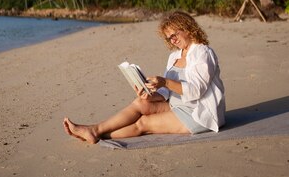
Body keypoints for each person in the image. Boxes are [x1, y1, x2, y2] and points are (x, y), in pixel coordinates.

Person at [63, 11, 225, 144]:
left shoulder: (203, 53)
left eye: (175, 34)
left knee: (143, 123)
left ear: (188, 28)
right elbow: (167, 94)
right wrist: (150, 94)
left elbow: (196, 91)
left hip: (197, 113)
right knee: (141, 103)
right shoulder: (174, 56)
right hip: (176, 105)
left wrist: (165, 81)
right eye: (169, 37)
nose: (173, 40)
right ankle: (94, 130)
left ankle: (96, 133)